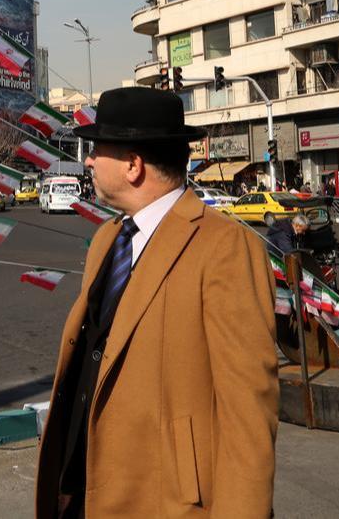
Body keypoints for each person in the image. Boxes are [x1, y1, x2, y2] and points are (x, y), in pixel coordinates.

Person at [37, 87, 276, 518]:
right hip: (82, 493)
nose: (88, 161)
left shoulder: (224, 247)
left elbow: (249, 417)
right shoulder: (108, 238)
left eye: (97, 149)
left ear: (133, 164)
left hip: (166, 502)